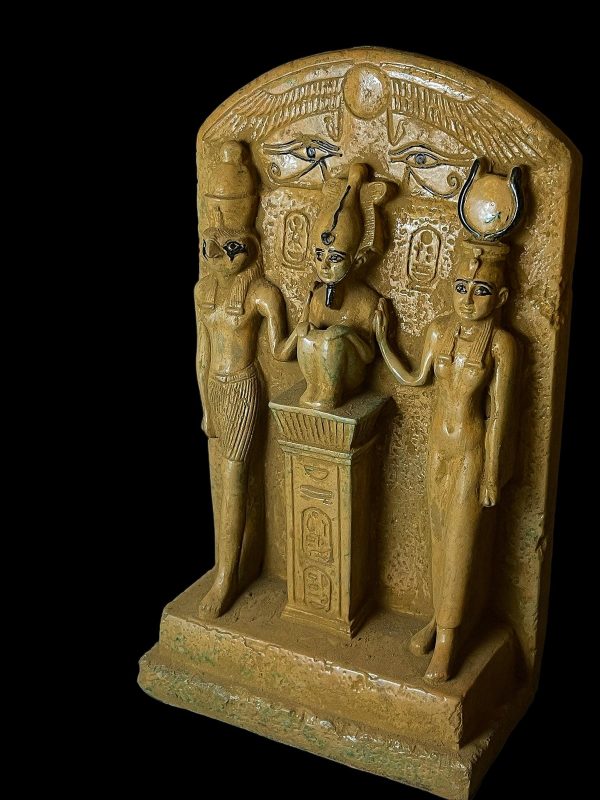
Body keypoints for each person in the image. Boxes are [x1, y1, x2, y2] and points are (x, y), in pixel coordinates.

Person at [374, 239, 518, 682]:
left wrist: (492, 473)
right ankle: (438, 620)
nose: (468, 299)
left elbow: (500, 415)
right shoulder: (439, 331)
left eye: (480, 290)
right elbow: (415, 378)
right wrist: (382, 340)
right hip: (437, 448)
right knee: (437, 536)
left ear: (501, 297)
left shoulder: (502, 345)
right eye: (460, 287)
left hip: (471, 450)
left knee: (460, 542)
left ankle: (449, 642)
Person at [196, 142, 296, 617]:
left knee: (235, 476)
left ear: (251, 246)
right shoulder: (203, 290)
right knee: (220, 478)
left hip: (242, 388)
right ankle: (234, 562)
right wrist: (203, 407)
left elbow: (279, 350)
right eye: (212, 248)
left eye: (232, 248)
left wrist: (311, 334)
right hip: (215, 390)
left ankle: (225, 577)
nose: (221, 258)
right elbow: (201, 354)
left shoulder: (260, 293)